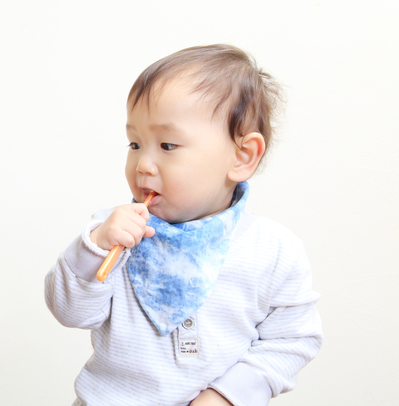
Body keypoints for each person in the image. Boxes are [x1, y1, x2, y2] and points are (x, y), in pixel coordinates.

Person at [45, 45, 323, 405]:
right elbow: (69, 311)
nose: (143, 164)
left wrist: (228, 394)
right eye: (135, 143)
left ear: (242, 156)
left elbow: (293, 340)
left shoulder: (273, 251)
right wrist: (94, 246)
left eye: (168, 145)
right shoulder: (113, 233)